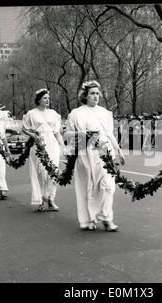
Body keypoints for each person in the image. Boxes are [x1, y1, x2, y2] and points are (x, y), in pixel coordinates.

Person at [64, 80, 125, 231]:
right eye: (92, 93)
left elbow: (109, 133)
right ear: (85, 95)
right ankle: (88, 219)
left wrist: (118, 150)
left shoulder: (105, 113)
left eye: (98, 93)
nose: (96, 96)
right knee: (88, 187)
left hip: (105, 152)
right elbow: (66, 134)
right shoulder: (76, 113)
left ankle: (107, 218)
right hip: (86, 153)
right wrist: (80, 133)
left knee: (108, 185)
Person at [22, 88, 65, 211]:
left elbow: (57, 133)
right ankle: (40, 200)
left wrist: (63, 146)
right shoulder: (31, 114)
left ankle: (50, 199)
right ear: (39, 100)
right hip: (39, 144)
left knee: (53, 171)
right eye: (45, 98)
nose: (47, 100)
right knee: (41, 173)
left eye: (48, 98)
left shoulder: (53, 114)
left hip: (52, 143)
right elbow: (24, 129)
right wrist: (34, 135)